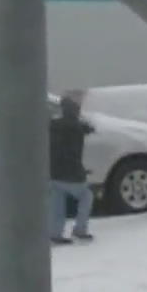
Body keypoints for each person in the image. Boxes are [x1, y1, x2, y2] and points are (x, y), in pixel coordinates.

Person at [49, 95, 96, 244]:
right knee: (86, 196)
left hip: (52, 172)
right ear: (75, 112)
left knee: (57, 203)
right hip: (71, 173)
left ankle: (55, 233)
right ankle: (80, 229)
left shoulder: (53, 125)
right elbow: (89, 129)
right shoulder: (77, 127)